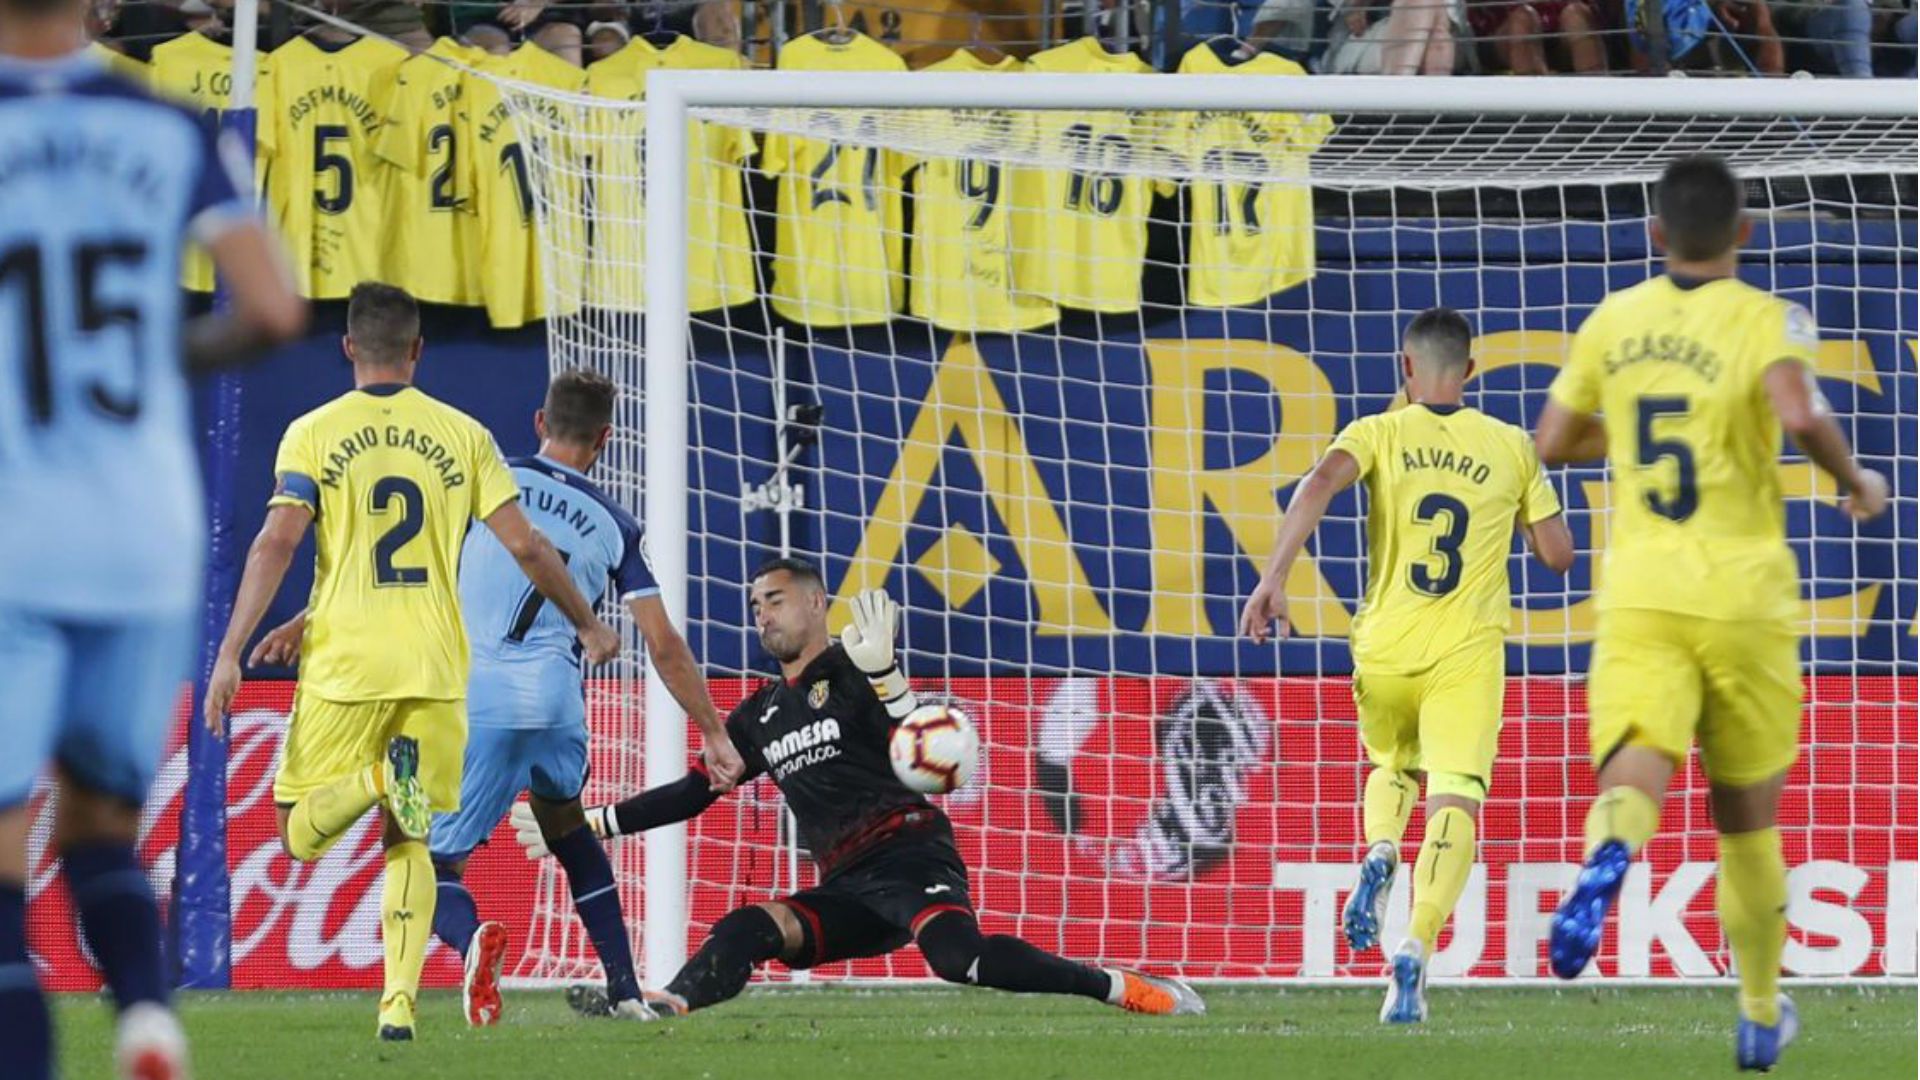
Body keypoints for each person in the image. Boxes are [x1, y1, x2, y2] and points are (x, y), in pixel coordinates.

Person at [0, 1, 307, 1075]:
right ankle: (143, 1011)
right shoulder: (168, 126)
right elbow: (274, 309)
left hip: (16, 525)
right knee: (101, 818)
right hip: (141, 526)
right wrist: (147, 359)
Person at [1534, 155, 1889, 1072]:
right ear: (1745, 232)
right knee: (1745, 820)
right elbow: (1795, 411)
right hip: (1744, 599)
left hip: (1642, 594)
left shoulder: (1613, 319)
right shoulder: (1770, 318)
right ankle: (1760, 1012)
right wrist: (1855, 479)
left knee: (1634, 770)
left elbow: (1553, 441)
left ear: (1656, 233)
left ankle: (1612, 849)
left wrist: (1630, 434)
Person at [253, 369, 748, 1025]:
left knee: (426, 859)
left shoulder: (484, 481)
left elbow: (393, 573)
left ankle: (471, 947)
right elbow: (663, 644)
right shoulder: (618, 525)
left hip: (474, 700)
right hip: (557, 703)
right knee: (568, 830)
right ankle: (627, 989)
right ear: (605, 439)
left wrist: (305, 620)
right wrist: (712, 731)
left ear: (540, 422)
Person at [202, 283, 620, 1042]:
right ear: (419, 350)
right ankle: (397, 1006)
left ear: (349, 347)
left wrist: (232, 651)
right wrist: (588, 623)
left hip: (348, 662)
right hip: (435, 669)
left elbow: (277, 541)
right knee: (410, 836)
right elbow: (527, 547)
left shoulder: (313, 432)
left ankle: (371, 780)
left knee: (297, 833)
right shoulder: (465, 436)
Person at [518, 560, 1205, 1020]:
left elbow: (941, 758)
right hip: (845, 885)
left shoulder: (858, 667)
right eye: (754, 605)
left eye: (776, 600)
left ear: (817, 603)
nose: (762, 614)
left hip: (909, 856)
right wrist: (588, 824)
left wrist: (889, 679)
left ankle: (1121, 987)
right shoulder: (759, 714)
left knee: (958, 960)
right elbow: (696, 792)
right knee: (748, 927)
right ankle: (666, 1003)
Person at [1240, 308, 1573, 1024]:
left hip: (1385, 647)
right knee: (1455, 797)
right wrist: (1521, 506)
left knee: (1393, 765)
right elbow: (1558, 555)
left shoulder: (1377, 431)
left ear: (1406, 368)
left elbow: (1318, 483)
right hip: (1465, 654)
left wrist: (1274, 578)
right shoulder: (1511, 445)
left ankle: (1382, 846)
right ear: (1471, 371)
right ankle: (1416, 946)